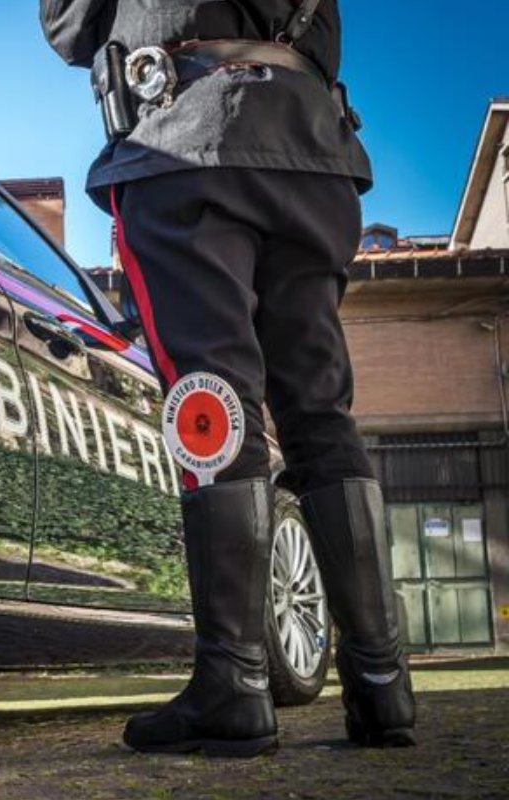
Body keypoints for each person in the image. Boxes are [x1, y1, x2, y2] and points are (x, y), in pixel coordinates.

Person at [40, 0, 416, 757]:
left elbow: (70, 27)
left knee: (213, 408)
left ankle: (234, 686)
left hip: (188, 142)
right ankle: (381, 684)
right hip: (312, 150)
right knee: (319, 411)